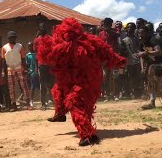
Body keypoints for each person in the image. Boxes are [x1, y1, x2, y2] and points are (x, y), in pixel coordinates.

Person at [36, 18, 126, 146]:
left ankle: (89, 136)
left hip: (88, 79)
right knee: (58, 90)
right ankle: (60, 114)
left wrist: (118, 60)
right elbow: (48, 56)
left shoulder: (88, 41)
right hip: (73, 78)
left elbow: (106, 52)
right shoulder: (61, 44)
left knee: (75, 102)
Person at [2, 31, 31, 112]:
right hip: (10, 69)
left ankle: (28, 103)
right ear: (8, 38)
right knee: (11, 88)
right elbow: (3, 61)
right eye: (10, 37)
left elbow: (23, 59)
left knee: (23, 85)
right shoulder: (4, 48)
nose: (12, 38)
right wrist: (3, 71)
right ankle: (13, 104)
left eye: (13, 37)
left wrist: (25, 69)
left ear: (15, 38)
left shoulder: (20, 46)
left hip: (19, 67)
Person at [34, 23, 54, 108]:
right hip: (41, 64)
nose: (42, 28)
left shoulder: (50, 38)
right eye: (41, 27)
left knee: (51, 84)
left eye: (44, 27)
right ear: (39, 29)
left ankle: (53, 100)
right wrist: (36, 67)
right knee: (42, 84)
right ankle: (43, 103)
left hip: (50, 64)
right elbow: (35, 54)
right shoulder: (36, 40)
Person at [120, 22, 143, 98]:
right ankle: (130, 93)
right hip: (129, 62)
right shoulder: (124, 40)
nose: (129, 29)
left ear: (134, 29)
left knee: (138, 78)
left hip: (138, 61)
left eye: (131, 27)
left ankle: (138, 93)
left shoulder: (137, 39)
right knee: (130, 78)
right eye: (128, 27)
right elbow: (123, 52)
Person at [26, 42, 38, 109]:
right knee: (32, 87)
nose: (30, 47)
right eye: (29, 46)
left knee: (41, 86)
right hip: (32, 73)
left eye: (31, 46)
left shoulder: (37, 54)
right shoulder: (28, 55)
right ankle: (31, 101)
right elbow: (27, 64)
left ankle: (46, 100)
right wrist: (28, 71)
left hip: (38, 73)